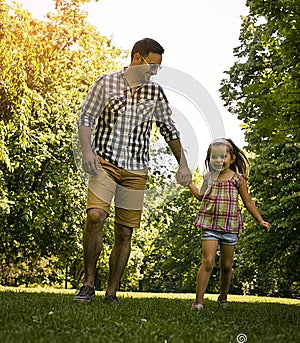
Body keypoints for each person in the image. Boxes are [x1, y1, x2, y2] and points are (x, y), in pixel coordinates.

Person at [74, 38, 192, 303]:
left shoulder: (155, 93)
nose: (154, 71)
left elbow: (169, 129)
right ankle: (89, 283)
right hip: (104, 161)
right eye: (151, 65)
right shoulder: (106, 83)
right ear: (136, 58)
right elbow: (86, 118)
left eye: (158, 68)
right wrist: (86, 151)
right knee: (95, 216)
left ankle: (112, 292)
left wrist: (183, 163)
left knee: (124, 231)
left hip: (136, 168)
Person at [188, 138, 270, 310]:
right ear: (209, 159)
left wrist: (260, 220)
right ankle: (198, 302)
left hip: (230, 227)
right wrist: (188, 182)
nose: (218, 160)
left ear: (232, 159)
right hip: (210, 225)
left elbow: (248, 202)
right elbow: (200, 196)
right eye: (214, 157)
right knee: (208, 262)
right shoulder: (209, 178)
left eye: (223, 156)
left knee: (226, 266)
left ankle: (223, 298)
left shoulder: (238, 179)